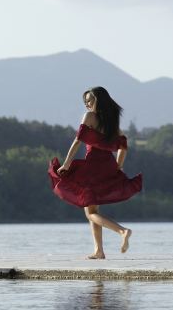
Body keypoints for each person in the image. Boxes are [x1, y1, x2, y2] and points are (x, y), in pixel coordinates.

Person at [48, 87, 142, 259]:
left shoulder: (89, 117)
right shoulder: (111, 123)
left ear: (99, 100)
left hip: (92, 168)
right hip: (107, 166)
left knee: (90, 213)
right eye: (85, 102)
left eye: (90, 101)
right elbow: (123, 146)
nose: (87, 104)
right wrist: (118, 167)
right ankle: (99, 251)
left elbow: (78, 141)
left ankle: (122, 231)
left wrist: (67, 164)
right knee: (92, 209)